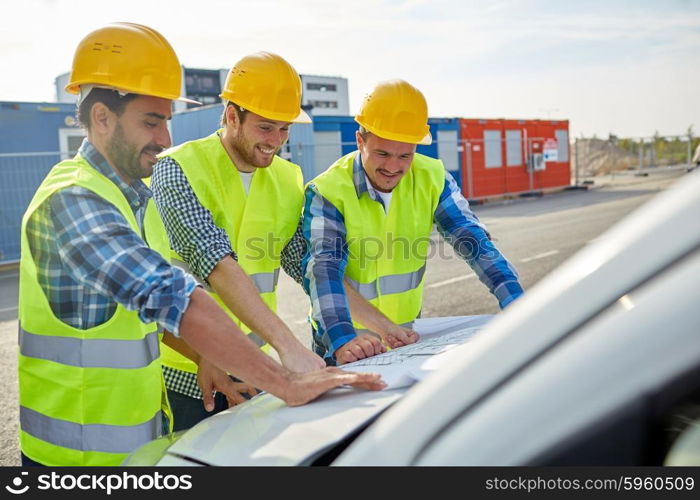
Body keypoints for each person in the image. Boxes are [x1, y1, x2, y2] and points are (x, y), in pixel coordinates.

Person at [17, 23, 383, 467]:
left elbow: (141, 313)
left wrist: (207, 354)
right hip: (74, 457)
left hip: (135, 441)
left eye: (167, 122)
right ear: (101, 117)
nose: (165, 140)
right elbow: (175, 296)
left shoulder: (129, 195)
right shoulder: (74, 200)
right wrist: (284, 379)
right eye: (151, 122)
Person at [150, 52, 325, 431]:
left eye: (284, 129)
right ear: (232, 115)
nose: (276, 141)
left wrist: (354, 327)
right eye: (265, 128)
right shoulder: (177, 167)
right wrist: (288, 347)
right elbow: (214, 261)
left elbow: (306, 265)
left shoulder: (288, 177)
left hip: (252, 368)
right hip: (187, 367)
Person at [302, 79, 524, 365]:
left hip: (406, 340)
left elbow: (472, 240)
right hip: (343, 343)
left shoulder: (433, 178)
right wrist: (343, 340)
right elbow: (324, 268)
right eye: (382, 153)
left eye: (405, 155)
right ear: (360, 140)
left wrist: (514, 298)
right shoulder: (329, 191)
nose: (393, 167)